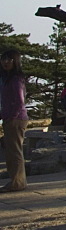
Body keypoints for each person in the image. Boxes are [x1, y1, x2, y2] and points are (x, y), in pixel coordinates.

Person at [0, 50, 29, 192]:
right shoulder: (6, 78)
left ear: (15, 61)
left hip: (16, 119)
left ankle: (18, 182)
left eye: (9, 59)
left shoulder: (16, 78)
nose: (6, 62)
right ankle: (15, 180)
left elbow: (19, 101)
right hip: (8, 117)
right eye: (4, 59)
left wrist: (12, 116)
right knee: (10, 152)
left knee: (15, 151)